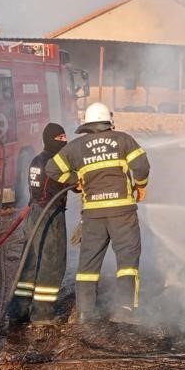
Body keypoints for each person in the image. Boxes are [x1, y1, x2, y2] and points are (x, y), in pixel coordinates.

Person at [45, 102, 150, 324]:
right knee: (127, 260)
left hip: (93, 215)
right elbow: (141, 166)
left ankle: (85, 313)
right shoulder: (123, 139)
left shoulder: (76, 147)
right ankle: (124, 310)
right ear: (108, 122)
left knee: (88, 265)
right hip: (123, 212)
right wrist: (140, 185)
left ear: (87, 124)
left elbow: (52, 169)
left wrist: (76, 181)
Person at [7, 123, 70, 326]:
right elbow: (70, 183)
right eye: (61, 138)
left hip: (34, 213)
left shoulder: (36, 159)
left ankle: (19, 309)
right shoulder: (54, 161)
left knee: (30, 263)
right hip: (50, 215)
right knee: (52, 263)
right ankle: (42, 314)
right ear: (51, 139)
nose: (64, 141)